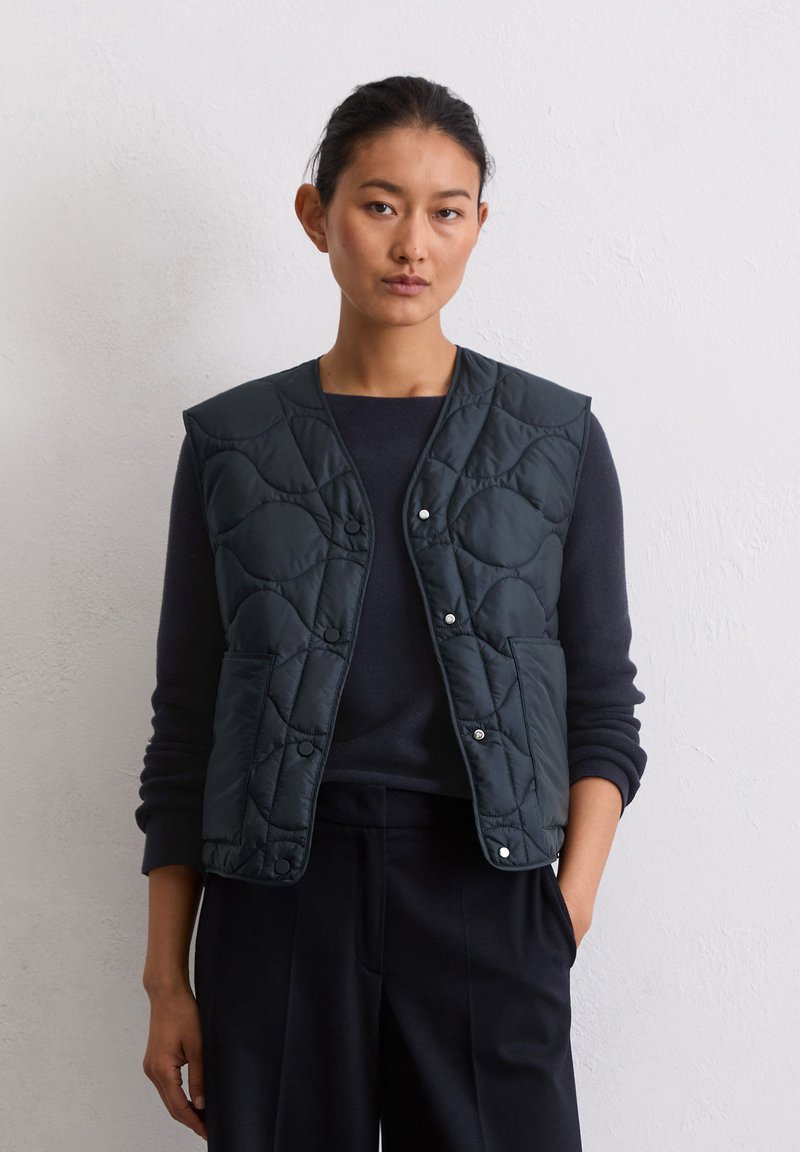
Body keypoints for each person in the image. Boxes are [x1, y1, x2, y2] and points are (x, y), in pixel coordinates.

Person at [136, 74, 647, 1152]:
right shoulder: (231, 446)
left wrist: (566, 908)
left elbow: (602, 706)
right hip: (278, 899)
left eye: (445, 211)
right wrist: (165, 979)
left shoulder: (554, 441)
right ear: (315, 214)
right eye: (378, 205)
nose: (412, 243)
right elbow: (186, 727)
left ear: (477, 226)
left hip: (484, 890)